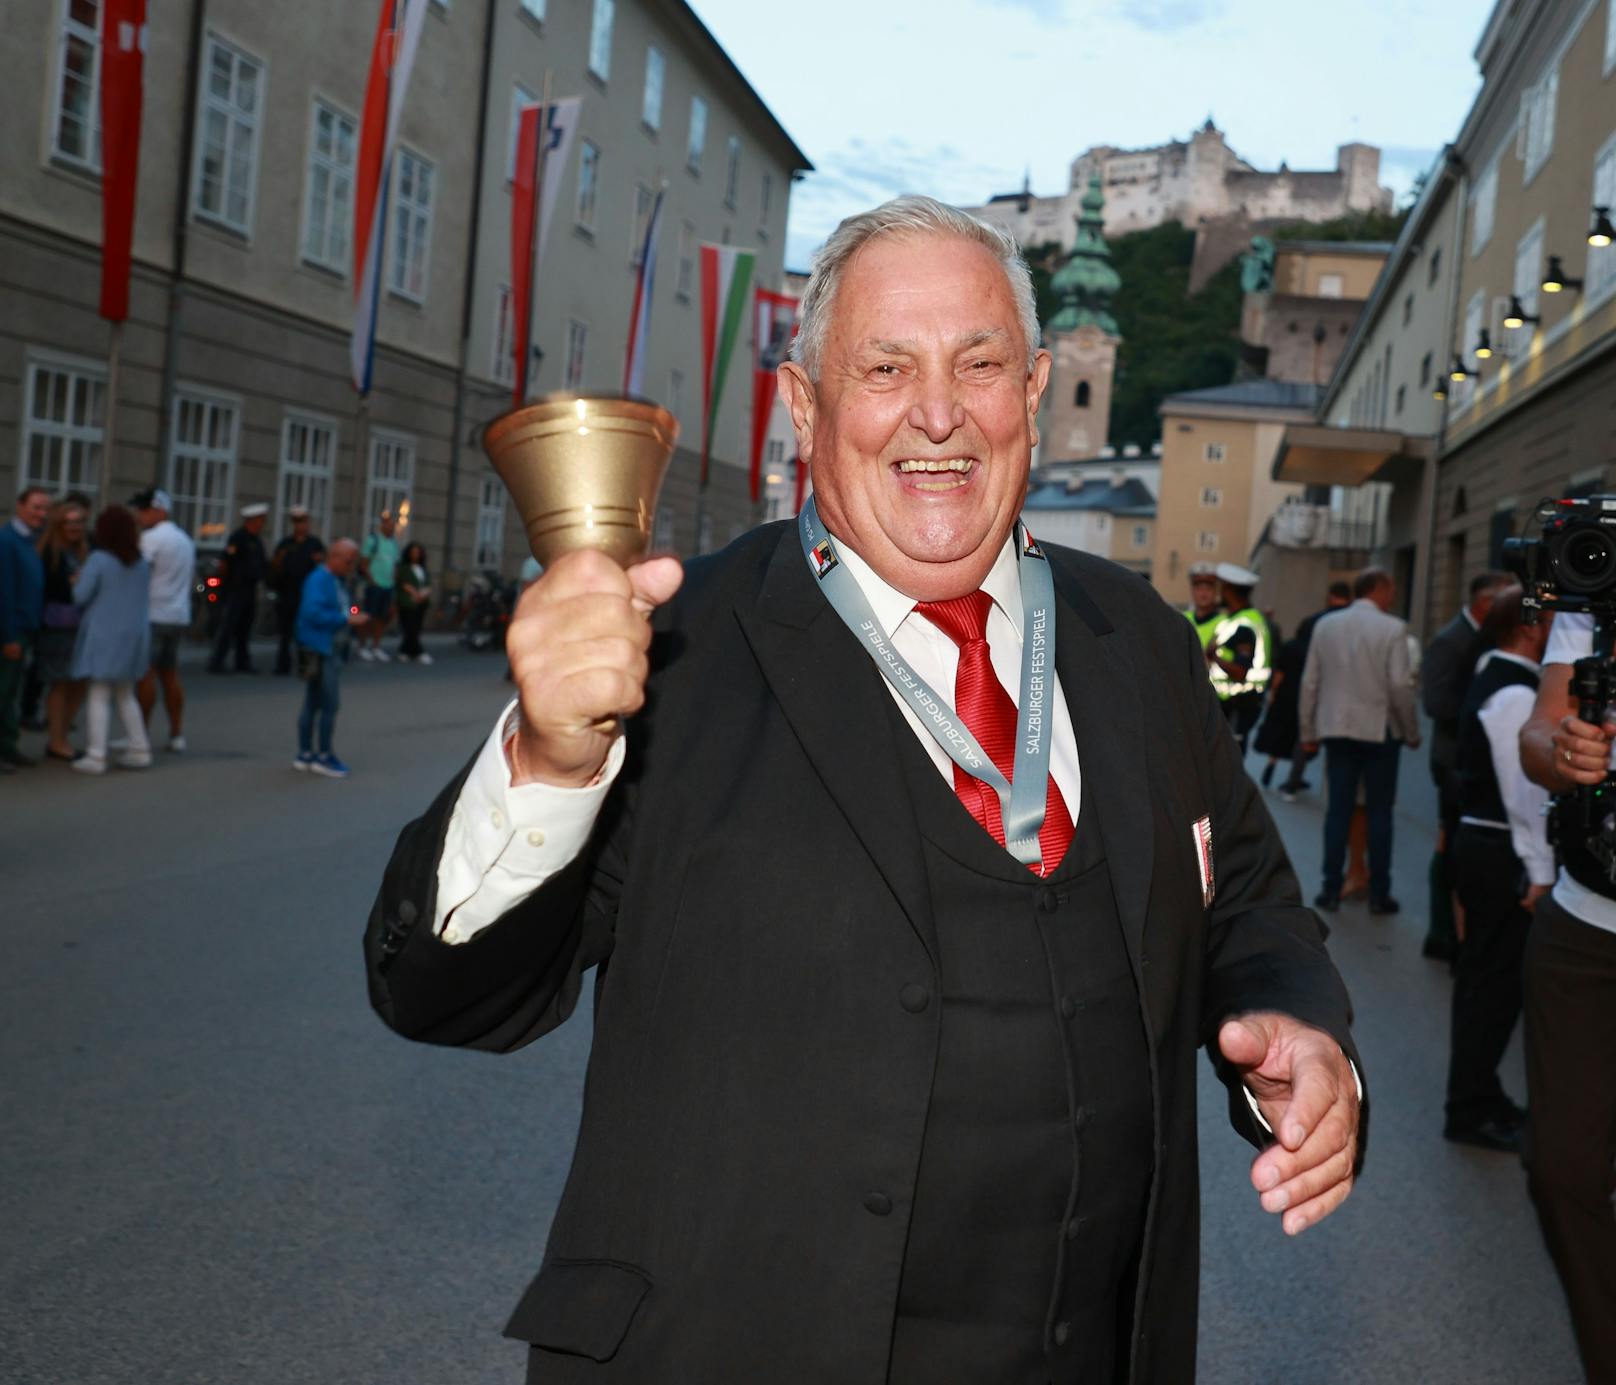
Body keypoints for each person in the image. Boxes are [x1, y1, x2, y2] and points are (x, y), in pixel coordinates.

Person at [363, 197, 1364, 1384]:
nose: (936, 414)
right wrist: (551, 759)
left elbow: (1244, 897)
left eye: (978, 365)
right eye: (885, 367)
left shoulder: (1135, 638)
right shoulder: (675, 652)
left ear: (1033, 391)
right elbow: (439, 990)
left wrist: (1304, 1033)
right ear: (804, 405)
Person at [1519, 602, 1616, 1384]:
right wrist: (1563, 750)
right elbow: (1535, 734)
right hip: (1587, 923)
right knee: (1563, 1168)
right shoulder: (1599, 581)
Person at [1444, 587, 1551, 1154]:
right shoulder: (1513, 691)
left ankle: (1477, 1096)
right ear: (1532, 629)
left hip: (1486, 846)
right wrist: (1539, 870)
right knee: (1492, 987)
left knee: (1484, 982)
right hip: (1499, 849)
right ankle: (1471, 1107)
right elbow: (1523, 794)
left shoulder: (1496, 672)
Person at [1298, 567, 1421, 913]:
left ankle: (1330, 888)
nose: (1393, 596)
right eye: (1391, 589)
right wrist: (1411, 732)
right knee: (1380, 811)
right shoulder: (1393, 628)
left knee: (1338, 810)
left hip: (1336, 728)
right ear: (1380, 589)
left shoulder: (1326, 625)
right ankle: (1379, 892)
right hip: (1379, 729)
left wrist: (1308, 732)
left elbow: (1310, 682)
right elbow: (1400, 686)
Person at [1422, 571, 1513, 962]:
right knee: (1452, 847)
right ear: (1486, 604)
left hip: (1467, 759)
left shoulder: (1482, 639)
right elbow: (1437, 705)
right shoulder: (1450, 640)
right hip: (1454, 761)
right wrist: (1485, 706)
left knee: (1454, 845)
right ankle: (1443, 932)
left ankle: (1450, 935)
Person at [69, 506, 152, 775]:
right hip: (134, 634)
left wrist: (74, 581)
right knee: (126, 694)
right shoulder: (141, 562)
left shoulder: (99, 559)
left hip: (104, 633)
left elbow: (80, 596)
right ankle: (139, 749)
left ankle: (96, 754)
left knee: (99, 693)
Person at [293, 538, 367, 778]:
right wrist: (346, 619)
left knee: (313, 702)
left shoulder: (331, 579)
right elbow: (312, 613)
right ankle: (323, 755)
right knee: (328, 704)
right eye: (348, 561)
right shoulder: (321, 579)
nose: (351, 565)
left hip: (322, 647)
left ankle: (306, 753)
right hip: (322, 648)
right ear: (334, 557)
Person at [130, 488, 196, 752]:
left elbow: (138, 574)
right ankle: (176, 733)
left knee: (146, 675)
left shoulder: (150, 539)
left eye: (144, 510)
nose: (139, 515)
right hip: (178, 615)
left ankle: (141, 735)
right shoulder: (185, 539)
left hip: (153, 614)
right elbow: (193, 581)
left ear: (160, 510)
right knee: (170, 675)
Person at [34, 500, 91, 762]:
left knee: (80, 681)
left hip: (83, 625)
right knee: (60, 682)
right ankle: (57, 740)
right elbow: (49, 588)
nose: (75, 527)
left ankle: (61, 735)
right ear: (59, 524)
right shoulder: (49, 551)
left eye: (79, 521)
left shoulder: (85, 550)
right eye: (69, 522)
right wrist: (73, 585)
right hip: (56, 625)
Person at [0, 485, 50, 772]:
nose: (41, 514)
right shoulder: (7, 540)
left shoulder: (30, 540)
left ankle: (8, 745)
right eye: (36, 507)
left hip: (26, 629)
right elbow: (4, 592)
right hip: (12, 630)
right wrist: (8, 635)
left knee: (11, 692)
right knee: (3, 691)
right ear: (20, 506)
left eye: (45, 508)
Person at [1206, 562, 1271, 753]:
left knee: (1229, 763)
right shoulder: (1238, 619)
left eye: (1221, 587)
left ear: (1229, 591)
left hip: (1238, 705)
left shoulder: (1244, 625)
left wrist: (1213, 657)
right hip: (1232, 703)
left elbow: (1240, 672)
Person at [208, 502, 268, 673]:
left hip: (250, 588)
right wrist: (222, 584)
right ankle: (217, 661)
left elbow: (261, 562)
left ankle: (242, 662)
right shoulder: (238, 538)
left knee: (245, 626)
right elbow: (225, 562)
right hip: (235, 588)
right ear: (251, 520)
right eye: (260, 520)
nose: (262, 524)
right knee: (229, 625)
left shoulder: (256, 540)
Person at [269, 505, 325, 676]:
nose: (301, 526)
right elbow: (275, 566)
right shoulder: (286, 544)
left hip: (307, 594)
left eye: (304, 522)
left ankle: (304, 664)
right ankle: (282, 664)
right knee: (285, 632)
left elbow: (323, 565)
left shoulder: (314, 544)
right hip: (287, 593)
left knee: (305, 632)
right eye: (298, 522)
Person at [357, 509, 400, 662]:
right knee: (367, 616)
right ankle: (362, 646)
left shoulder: (394, 543)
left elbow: (395, 564)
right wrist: (371, 580)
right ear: (382, 525)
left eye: (393, 525)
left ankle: (376, 647)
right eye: (389, 525)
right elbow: (363, 563)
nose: (391, 528)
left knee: (382, 617)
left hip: (387, 586)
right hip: (374, 585)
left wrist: (394, 582)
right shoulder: (373, 540)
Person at [395, 540, 432, 664]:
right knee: (410, 627)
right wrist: (415, 594)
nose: (415, 555)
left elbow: (428, 584)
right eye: (413, 552)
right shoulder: (404, 568)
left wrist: (424, 593)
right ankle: (419, 651)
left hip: (422, 601)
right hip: (407, 601)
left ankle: (405, 650)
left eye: (418, 552)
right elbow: (403, 583)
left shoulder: (423, 568)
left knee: (416, 627)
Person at [1183, 560, 1221, 649]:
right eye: (1199, 588)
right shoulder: (1183, 620)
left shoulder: (1224, 624)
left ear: (1216, 591)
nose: (1203, 594)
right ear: (1192, 590)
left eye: (1208, 588)